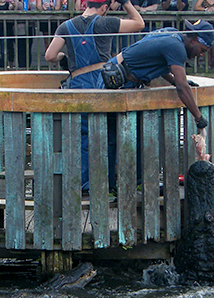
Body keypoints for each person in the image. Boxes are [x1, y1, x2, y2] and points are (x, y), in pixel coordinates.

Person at [44, 0, 144, 191]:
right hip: (102, 84)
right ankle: (108, 183)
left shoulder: (65, 26)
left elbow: (50, 55)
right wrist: (126, 3)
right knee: (108, 134)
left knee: (82, 137)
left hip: (77, 86)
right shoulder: (105, 23)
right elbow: (139, 24)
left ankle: (83, 184)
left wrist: (62, 58)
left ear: (86, 4)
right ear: (104, 8)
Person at [102, 19, 213, 128]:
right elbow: (182, 87)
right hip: (115, 77)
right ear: (194, 40)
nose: (201, 55)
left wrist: (173, 81)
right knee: (112, 130)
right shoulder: (177, 48)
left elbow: (158, 63)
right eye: (203, 50)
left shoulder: (171, 33)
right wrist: (199, 118)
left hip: (118, 70)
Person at [194, 0, 214, 68]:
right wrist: (206, 9)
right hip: (205, 25)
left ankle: (213, 66)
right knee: (206, 48)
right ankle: (207, 66)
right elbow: (196, 7)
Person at [0, 0, 15, 68]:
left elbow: (11, 8)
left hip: (6, 28)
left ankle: (6, 65)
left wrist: (12, 5)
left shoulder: (8, 3)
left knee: (5, 48)